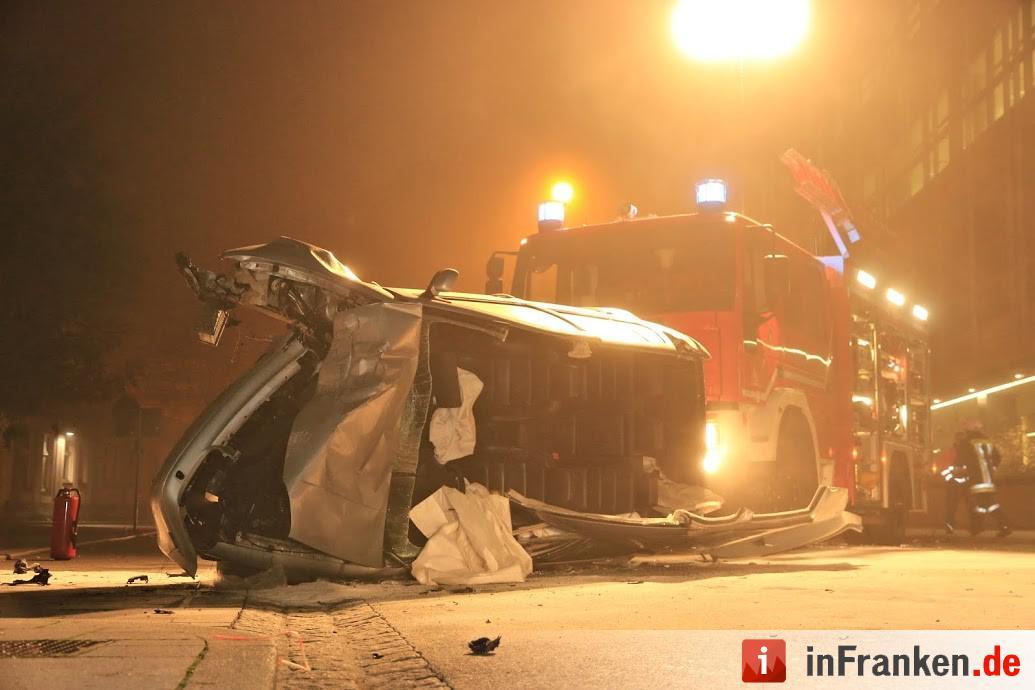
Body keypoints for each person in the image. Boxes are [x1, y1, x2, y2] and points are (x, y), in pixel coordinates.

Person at [952, 420, 1011, 537]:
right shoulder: (987, 440)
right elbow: (997, 457)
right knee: (982, 503)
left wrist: (956, 470)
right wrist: (991, 468)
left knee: (987, 503)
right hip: (988, 478)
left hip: (976, 478)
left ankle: (1004, 525)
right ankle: (977, 527)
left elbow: (960, 459)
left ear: (968, 429)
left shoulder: (966, 442)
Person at [940, 431, 968, 534]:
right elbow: (944, 468)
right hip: (955, 483)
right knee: (951, 507)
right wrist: (951, 477)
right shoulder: (952, 452)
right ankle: (949, 526)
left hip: (961, 483)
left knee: (953, 506)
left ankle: (974, 527)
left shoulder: (965, 452)